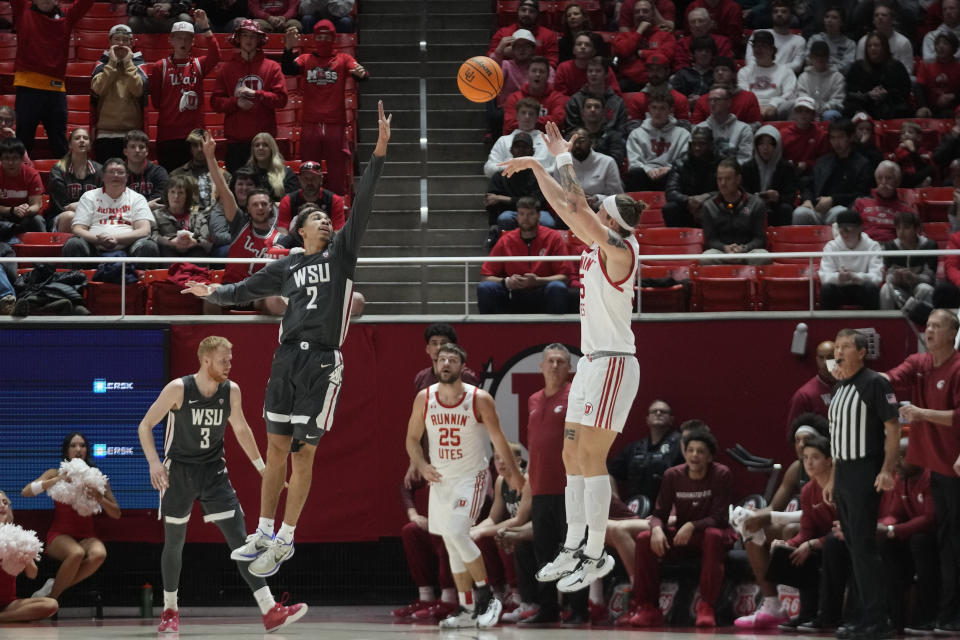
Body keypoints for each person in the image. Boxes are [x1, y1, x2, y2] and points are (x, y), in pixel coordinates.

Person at [183, 101, 390, 579]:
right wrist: (210, 289)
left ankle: (286, 538)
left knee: (303, 452)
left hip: (321, 363)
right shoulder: (287, 265)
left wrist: (377, 150)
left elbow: (364, 203)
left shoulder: (341, 255)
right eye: (316, 219)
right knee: (275, 450)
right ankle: (261, 531)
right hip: (284, 360)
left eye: (326, 219)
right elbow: (242, 289)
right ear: (298, 229)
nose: (325, 221)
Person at [499, 121, 642, 595]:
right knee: (568, 454)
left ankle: (595, 552)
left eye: (602, 214)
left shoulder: (620, 250)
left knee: (591, 455)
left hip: (614, 362)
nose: (592, 218)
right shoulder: (601, 239)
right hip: (593, 361)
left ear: (615, 224)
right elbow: (568, 207)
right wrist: (539, 166)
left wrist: (562, 158)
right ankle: (574, 544)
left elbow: (576, 206)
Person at [136, 335, 306, 633]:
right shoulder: (179, 388)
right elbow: (145, 425)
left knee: (242, 541)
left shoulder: (231, 391)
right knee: (174, 542)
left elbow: (241, 429)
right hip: (180, 473)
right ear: (205, 360)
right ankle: (170, 610)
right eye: (223, 359)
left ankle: (269, 609)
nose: (229, 364)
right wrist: (152, 461)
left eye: (231, 358)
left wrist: (264, 469)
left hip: (214, 472)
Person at [404, 343, 523, 629]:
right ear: (435, 366)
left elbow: (499, 439)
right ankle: (468, 608)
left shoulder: (478, 399)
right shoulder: (425, 398)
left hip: (471, 476)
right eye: (442, 359)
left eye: (452, 360)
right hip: (441, 480)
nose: (446, 363)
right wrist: (421, 465)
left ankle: (488, 596)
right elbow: (411, 439)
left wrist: (515, 476)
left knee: (458, 532)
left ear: (462, 368)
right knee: (452, 542)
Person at [885, 309, 960, 634]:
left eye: (936, 326)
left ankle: (951, 617)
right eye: (927, 325)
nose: (928, 331)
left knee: (954, 545)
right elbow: (892, 376)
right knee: (943, 544)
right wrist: (870, 380)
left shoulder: (958, 367)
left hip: (957, 467)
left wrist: (922, 414)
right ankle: (940, 616)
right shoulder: (920, 364)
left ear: (952, 333)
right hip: (940, 470)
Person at [823, 328, 901, 640]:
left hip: (866, 470)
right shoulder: (840, 385)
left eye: (844, 347)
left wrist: (887, 470)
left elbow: (893, 428)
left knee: (864, 548)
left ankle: (878, 619)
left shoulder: (876, 382)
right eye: (836, 346)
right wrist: (831, 478)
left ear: (861, 352)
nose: (838, 352)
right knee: (853, 547)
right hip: (843, 473)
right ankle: (860, 615)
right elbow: (837, 439)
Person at [628, 423, 734, 627]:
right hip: (683, 537)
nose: (694, 455)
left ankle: (706, 606)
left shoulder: (721, 474)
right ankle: (649, 607)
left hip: (710, 536)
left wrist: (692, 525)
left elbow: (720, 518)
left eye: (701, 452)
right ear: (684, 452)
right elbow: (659, 514)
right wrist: (657, 529)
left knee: (713, 534)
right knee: (644, 539)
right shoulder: (672, 475)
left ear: (710, 457)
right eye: (691, 450)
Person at [734, 416, 831, 629]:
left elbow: (807, 514)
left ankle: (808, 609)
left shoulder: (834, 468)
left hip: (829, 527)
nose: (801, 445)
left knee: (791, 529)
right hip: (809, 525)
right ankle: (772, 603)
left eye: (807, 439)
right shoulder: (797, 469)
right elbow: (774, 507)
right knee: (752, 530)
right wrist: (752, 515)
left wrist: (770, 517)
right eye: (797, 440)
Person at [21, 432, 120, 601]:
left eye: (82, 445)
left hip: (87, 536)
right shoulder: (54, 473)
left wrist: (99, 497)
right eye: (73, 446)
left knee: (99, 554)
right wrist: (57, 480)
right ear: (66, 451)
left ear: (87, 450)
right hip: (60, 535)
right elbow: (26, 492)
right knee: (76, 553)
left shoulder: (98, 477)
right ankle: (52, 600)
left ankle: (54, 589)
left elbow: (116, 513)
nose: (78, 449)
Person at [281, 20, 368, 196]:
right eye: (319, 36)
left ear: (333, 38)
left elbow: (361, 74)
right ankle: (308, 205)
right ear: (314, 37)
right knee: (308, 169)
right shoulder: (306, 58)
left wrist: (362, 73)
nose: (322, 40)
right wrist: (288, 49)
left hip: (335, 124)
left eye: (326, 36)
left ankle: (338, 207)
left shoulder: (343, 59)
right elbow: (288, 69)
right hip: (310, 123)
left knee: (337, 171)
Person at [769, 434, 839, 631]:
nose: (808, 462)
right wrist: (789, 544)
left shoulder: (842, 486)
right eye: (806, 457)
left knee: (827, 546)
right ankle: (806, 614)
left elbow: (848, 528)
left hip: (843, 542)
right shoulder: (808, 490)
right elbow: (806, 532)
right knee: (795, 552)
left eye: (815, 457)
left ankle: (829, 616)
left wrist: (811, 544)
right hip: (824, 542)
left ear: (829, 460)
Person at [11, 0, 92, 158]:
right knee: (23, 142)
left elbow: (86, 3)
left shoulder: (67, 17)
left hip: (55, 90)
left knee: (60, 145)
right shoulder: (23, 10)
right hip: (28, 88)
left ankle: (66, 181)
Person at [877, 440, 938, 633]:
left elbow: (930, 518)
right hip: (914, 538)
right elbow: (895, 514)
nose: (896, 463)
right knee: (886, 545)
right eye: (895, 458)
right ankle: (894, 619)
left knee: (920, 542)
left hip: (936, 539)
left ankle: (927, 618)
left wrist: (893, 530)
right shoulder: (901, 479)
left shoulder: (931, 477)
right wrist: (882, 527)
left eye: (902, 457)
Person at [212, 19, 289, 173]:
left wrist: (257, 94)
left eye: (253, 36)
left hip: (264, 142)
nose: (248, 40)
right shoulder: (226, 69)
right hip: (236, 143)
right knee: (237, 190)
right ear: (238, 39)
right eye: (245, 35)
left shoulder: (272, 67)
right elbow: (215, 102)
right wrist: (236, 103)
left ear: (259, 40)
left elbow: (281, 99)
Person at [478, 196, 575, 314]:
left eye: (530, 214)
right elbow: (485, 276)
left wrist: (538, 280)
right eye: (522, 214)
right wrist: (507, 282)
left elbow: (565, 276)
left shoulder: (553, 238)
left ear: (539, 216)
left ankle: (556, 331)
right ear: (517, 217)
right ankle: (492, 331)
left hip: (543, 291)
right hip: (513, 294)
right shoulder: (506, 240)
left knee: (557, 287)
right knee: (485, 288)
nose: (526, 218)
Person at [148, 13, 221, 171]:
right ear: (171, 40)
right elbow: (156, 101)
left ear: (193, 41)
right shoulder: (160, 67)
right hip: (168, 135)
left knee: (196, 182)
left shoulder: (198, 64)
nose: (183, 41)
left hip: (195, 136)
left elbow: (216, 55)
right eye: (179, 38)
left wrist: (206, 28)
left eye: (187, 38)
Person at [61, 157, 160, 261]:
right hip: (94, 247)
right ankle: (77, 277)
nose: (116, 175)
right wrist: (98, 240)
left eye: (120, 172)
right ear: (103, 176)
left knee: (148, 245)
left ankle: (141, 277)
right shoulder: (89, 196)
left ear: (126, 177)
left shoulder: (137, 198)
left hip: (128, 248)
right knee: (73, 243)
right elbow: (78, 229)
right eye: (111, 172)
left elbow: (144, 230)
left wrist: (116, 239)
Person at [792, 119, 873, 225]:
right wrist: (807, 200)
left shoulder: (862, 164)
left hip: (843, 207)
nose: (836, 142)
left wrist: (834, 200)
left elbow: (861, 195)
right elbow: (808, 185)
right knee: (799, 213)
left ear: (851, 137)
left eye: (840, 137)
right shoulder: (822, 162)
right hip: (818, 207)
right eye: (833, 138)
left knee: (840, 213)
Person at [607, 399, 683, 510]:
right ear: (647, 420)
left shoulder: (681, 444)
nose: (658, 413)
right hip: (634, 508)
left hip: (667, 510)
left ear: (671, 420)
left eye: (663, 411)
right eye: (654, 411)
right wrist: (616, 499)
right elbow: (609, 472)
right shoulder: (634, 448)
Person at [90, 24, 149, 163]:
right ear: (110, 42)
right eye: (117, 39)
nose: (121, 44)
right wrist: (111, 64)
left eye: (125, 40)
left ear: (132, 43)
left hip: (131, 135)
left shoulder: (138, 64)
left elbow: (138, 90)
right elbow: (98, 89)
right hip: (105, 134)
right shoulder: (101, 65)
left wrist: (128, 64)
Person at [0, 490, 58, 622]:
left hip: (8, 604)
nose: (2, 505)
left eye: (5, 502)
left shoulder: (17, 536)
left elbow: (32, 574)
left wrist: (25, 558)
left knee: (51, 605)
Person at [700, 158, 768, 263]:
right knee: (707, 257)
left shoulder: (756, 203)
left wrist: (743, 248)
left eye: (727, 179)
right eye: (719, 179)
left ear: (738, 179)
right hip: (722, 252)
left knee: (763, 255)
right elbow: (710, 240)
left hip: (747, 252)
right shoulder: (709, 206)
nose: (723, 183)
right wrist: (725, 248)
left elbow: (760, 239)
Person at [818, 209, 883, 309]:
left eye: (848, 230)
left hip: (862, 289)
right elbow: (824, 277)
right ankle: (828, 324)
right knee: (826, 289)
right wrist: (839, 277)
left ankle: (872, 323)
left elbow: (876, 278)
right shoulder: (831, 246)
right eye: (841, 230)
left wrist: (855, 277)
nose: (844, 234)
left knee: (872, 288)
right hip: (839, 289)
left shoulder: (873, 246)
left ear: (860, 228)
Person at [625, 93, 690, 191]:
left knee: (679, 174)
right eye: (654, 108)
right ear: (649, 109)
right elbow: (634, 162)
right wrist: (648, 170)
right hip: (644, 174)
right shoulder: (636, 134)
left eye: (662, 108)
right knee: (635, 173)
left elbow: (684, 160)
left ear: (670, 110)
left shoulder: (683, 134)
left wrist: (669, 168)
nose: (657, 112)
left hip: (669, 173)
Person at [612, 0, 677, 92]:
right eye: (637, 12)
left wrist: (641, 53)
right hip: (630, 82)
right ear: (633, 16)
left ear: (653, 15)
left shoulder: (665, 36)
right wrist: (639, 31)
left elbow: (666, 55)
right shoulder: (626, 35)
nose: (641, 14)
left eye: (645, 11)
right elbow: (623, 51)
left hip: (658, 81)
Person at [844, 30, 912, 119]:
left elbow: (905, 91)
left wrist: (887, 93)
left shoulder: (896, 66)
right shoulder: (857, 67)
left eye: (876, 45)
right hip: (864, 105)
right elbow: (850, 92)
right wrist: (867, 95)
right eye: (869, 46)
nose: (872, 48)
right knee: (850, 108)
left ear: (884, 47)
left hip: (891, 105)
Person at [46, 128, 102, 233]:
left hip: (92, 214)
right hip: (62, 216)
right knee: (70, 217)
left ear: (89, 145)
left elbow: (103, 200)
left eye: (85, 138)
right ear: (70, 145)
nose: (82, 140)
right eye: (77, 138)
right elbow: (60, 205)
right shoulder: (58, 169)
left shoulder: (100, 170)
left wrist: (80, 206)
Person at [485, 99, 557, 179]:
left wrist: (535, 172)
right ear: (517, 116)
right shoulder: (504, 141)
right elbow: (488, 169)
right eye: (523, 113)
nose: (527, 117)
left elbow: (559, 168)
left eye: (531, 114)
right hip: (510, 185)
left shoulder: (549, 140)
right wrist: (514, 167)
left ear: (537, 118)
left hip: (542, 185)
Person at [662, 127, 719, 227]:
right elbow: (671, 191)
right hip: (688, 206)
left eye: (702, 144)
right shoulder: (680, 162)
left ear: (711, 145)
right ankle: (676, 240)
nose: (697, 148)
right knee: (669, 208)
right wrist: (689, 200)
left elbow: (730, 190)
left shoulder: (722, 162)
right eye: (694, 144)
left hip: (713, 204)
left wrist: (706, 197)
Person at [741, 125, 796, 226]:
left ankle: (783, 239)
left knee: (786, 209)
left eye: (770, 144)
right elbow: (742, 193)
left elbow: (791, 196)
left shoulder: (786, 167)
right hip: (752, 205)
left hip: (777, 206)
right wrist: (756, 197)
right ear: (756, 146)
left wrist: (778, 197)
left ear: (777, 146)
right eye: (761, 144)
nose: (765, 148)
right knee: (744, 210)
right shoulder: (748, 167)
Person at [854, 161, 920, 244]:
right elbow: (850, 230)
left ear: (897, 181)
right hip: (865, 249)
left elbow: (916, 239)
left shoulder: (906, 210)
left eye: (888, 178)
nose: (884, 182)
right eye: (880, 178)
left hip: (892, 251)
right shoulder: (860, 203)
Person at [557, 129, 622, 211]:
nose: (577, 145)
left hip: (601, 209)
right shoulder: (562, 162)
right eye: (573, 141)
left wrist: (597, 199)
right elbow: (556, 194)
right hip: (569, 210)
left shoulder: (607, 162)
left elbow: (617, 197)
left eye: (582, 141)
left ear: (591, 142)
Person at [737, 30, 796, 120]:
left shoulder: (785, 71)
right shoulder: (744, 71)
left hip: (777, 108)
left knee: (793, 104)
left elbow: (789, 94)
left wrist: (773, 105)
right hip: (751, 108)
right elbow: (744, 94)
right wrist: (757, 108)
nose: (758, 49)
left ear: (772, 49)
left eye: (763, 46)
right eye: (755, 46)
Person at [152, 173, 213, 257]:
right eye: (172, 192)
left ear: (187, 196)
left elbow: (208, 243)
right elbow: (153, 236)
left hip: (193, 251)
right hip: (168, 252)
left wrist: (195, 242)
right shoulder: (156, 215)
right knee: (166, 251)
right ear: (167, 194)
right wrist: (170, 241)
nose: (176, 196)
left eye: (180, 193)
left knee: (199, 252)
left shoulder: (197, 216)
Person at [502, 56, 567, 135]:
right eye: (534, 71)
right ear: (527, 74)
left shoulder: (557, 98)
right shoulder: (514, 98)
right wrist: (540, 122)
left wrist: (527, 122)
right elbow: (509, 125)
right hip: (519, 141)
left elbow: (558, 121)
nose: (537, 74)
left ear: (548, 75)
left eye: (542, 71)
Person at [690, 57, 762, 125]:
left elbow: (755, 124)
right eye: (716, 70)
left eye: (724, 70)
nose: (720, 72)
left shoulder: (748, 97)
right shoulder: (703, 100)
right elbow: (695, 126)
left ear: (733, 74)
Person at [785, 341, 836, 438]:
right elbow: (793, 436)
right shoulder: (804, 395)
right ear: (817, 360)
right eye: (821, 358)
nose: (825, 363)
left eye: (830, 357)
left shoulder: (853, 387)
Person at [488, 0, 559, 68]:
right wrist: (501, 51)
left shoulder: (549, 35)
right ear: (518, 12)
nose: (527, 14)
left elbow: (552, 62)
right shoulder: (502, 33)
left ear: (537, 14)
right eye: (523, 10)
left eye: (531, 11)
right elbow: (489, 60)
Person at [563, 57, 627, 133]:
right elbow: (571, 130)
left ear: (606, 74)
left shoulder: (618, 102)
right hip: (581, 141)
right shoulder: (575, 100)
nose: (593, 74)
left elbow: (621, 131)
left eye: (598, 71)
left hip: (610, 142)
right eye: (590, 71)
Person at [277, 161, 344, 231]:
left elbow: (338, 232)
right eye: (305, 178)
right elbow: (282, 230)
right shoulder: (287, 201)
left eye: (314, 178)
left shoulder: (335, 200)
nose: (309, 182)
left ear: (321, 179)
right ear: (299, 179)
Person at [693, 85, 753, 164]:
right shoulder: (700, 128)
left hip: (733, 173)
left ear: (729, 102)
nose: (712, 103)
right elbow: (694, 159)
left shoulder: (744, 129)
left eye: (716, 99)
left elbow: (745, 160)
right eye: (710, 100)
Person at [0, 137, 44, 242]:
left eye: (15, 158)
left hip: (24, 216)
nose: (10, 162)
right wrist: (12, 210)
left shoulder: (32, 174)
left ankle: (42, 251)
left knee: (38, 220)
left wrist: (26, 210)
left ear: (21, 159)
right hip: (2, 215)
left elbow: (36, 205)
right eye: (6, 158)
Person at [624, 52, 690, 123]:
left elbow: (684, 126)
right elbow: (632, 126)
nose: (654, 73)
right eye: (651, 70)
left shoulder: (680, 99)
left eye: (659, 69)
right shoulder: (638, 99)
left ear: (667, 71)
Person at [854, 2, 916, 76]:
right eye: (876, 15)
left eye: (884, 15)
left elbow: (907, 70)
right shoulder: (863, 41)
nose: (880, 17)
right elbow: (859, 68)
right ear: (873, 21)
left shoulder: (903, 42)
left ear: (892, 20)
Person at [745, 0, 807, 72]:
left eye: (784, 11)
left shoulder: (799, 40)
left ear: (791, 15)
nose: (779, 14)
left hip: (784, 79)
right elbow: (749, 61)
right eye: (775, 11)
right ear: (771, 15)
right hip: (757, 75)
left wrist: (772, 70)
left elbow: (797, 65)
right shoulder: (758, 34)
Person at [797, 40, 845, 121]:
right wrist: (812, 108)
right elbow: (802, 96)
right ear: (811, 58)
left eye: (823, 55)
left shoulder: (837, 77)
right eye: (816, 55)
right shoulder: (803, 77)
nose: (820, 59)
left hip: (829, 111)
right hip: (808, 111)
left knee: (830, 115)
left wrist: (824, 109)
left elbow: (838, 100)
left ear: (828, 57)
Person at [779, 97, 828, 177]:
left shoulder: (821, 134)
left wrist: (808, 164)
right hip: (787, 174)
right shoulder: (783, 134)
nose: (803, 114)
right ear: (794, 113)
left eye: (807, 111)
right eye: (799, 111)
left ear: (813, 114)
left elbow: (824, 159)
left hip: (813, 174)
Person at [915, 31, 960, 118]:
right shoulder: (926, 65)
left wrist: (953, 96)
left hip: (953, 107)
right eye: (938, 43)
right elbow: (919, 88)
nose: (940, 46)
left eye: (945, 43)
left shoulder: (958, 67)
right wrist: (923, 106)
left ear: (953, 48)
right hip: (930, 107)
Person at [244, 132, 298, 201]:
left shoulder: (286, 173)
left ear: (272, 149)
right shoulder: (246, 173)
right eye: (257, 145)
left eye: (265, 145)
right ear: (253, 150)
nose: (260, 148)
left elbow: (292, 200)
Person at [554, 39, 619, 97]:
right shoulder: (563, 67)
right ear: (573, 50)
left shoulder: (603, 66)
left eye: (587, 45)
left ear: (593, 51)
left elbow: (616, 94)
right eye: (579, 44)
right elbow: (559, 96)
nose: (583, 47)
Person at [577, 96, 627, 168]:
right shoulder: (575, 136)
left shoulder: (614, 137)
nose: (592, 110)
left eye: (597, 107)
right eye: (588, 107)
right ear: (582, 113)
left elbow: (615, 162)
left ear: (604, 112)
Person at [806, 6, 856, 73]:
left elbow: (847, 67)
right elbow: (808, 59)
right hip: (815, 74)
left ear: (841, 23)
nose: (829, 20)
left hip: (837, 78)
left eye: (834, 18)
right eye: (827, 17)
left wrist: (823, 65)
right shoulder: (815, 39)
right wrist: (834, 63)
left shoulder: (849, 44)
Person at [124, 129, 169, 204]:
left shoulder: (158, 172)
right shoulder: (118, 173)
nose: (137, 150)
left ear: (147, 151)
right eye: (132, 147)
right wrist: (147, 206)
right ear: (125, 151)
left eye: (141, 147)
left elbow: (160, 199)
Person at [671, 36, 718, 106]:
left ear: (712, 54)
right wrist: (687, 102)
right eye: (699, 50)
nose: (703, 54)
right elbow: (673, 100)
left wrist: (702, 100)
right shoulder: (682, 74)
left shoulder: (716, 75)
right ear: (693, 54)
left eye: (707, 51)